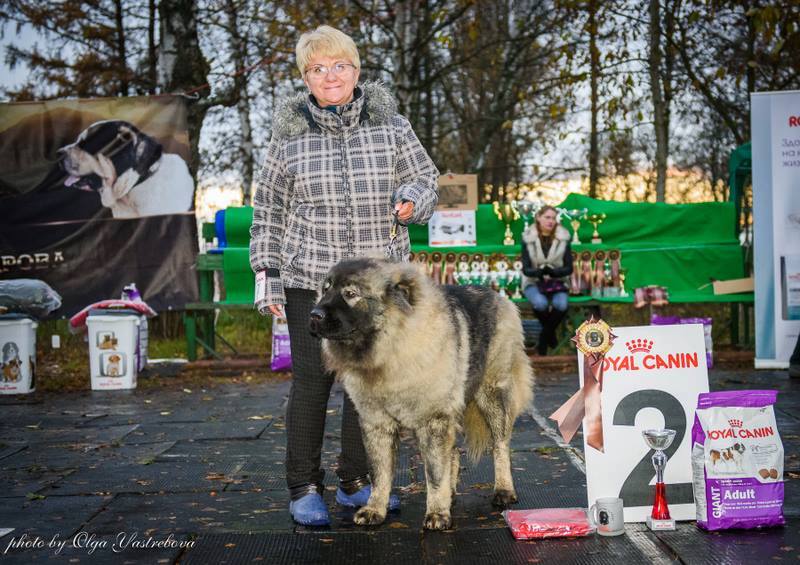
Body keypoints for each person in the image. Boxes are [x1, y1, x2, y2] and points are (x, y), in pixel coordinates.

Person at [249, 25, 439, 526]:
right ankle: (302, 486)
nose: (329, 75)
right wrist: (266, 277)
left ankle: (357, 481)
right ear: (305, 78)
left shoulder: (392, 126)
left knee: (371, 382)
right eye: (317, 68)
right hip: (310, 281)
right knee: (313, 383)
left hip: (376, 287)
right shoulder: (287, 138)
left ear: (356, 71)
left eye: (339, 65)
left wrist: (412, 202)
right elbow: (267, 209)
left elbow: (426, 177)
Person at [520, 205, 573, 356]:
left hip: (558, 281)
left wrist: (554, 272)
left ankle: (545, 337)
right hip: (533, 281)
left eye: (554, 218)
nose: (551, 221)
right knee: (540, 303)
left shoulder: (564, 237)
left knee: (562, 304)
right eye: (547, 217)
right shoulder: (527, 237)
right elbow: (526, 268)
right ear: (538, 217)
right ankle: (551, 337)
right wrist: (539, 272)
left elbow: (569, 268)